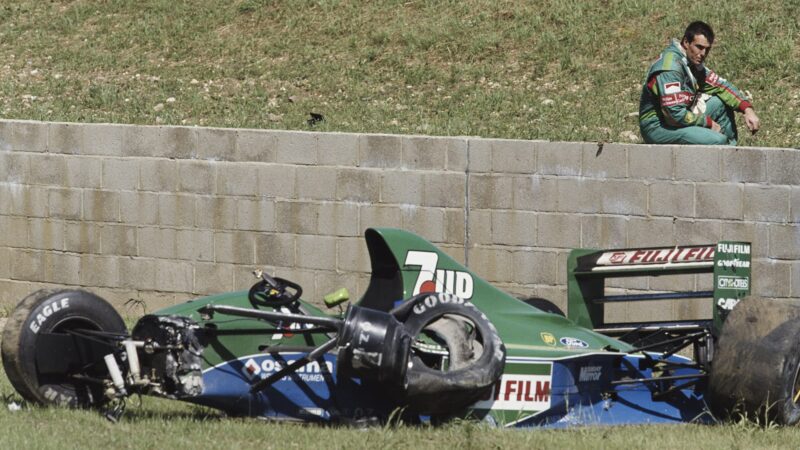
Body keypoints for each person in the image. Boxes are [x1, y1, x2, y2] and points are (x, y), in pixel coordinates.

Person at [639, 21, 760, 145]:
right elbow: (674, 115)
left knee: (720, 103)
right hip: (658, 127)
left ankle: (731, 152)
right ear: (686, 42)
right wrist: (708, 123)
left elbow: (722, 86)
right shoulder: (670, 68)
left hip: (680, 117)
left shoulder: (691, 63)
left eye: (707, 49)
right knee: (717, 141)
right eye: (699, 47)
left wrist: (747, 109)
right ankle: (723, 152)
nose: (703, 54)